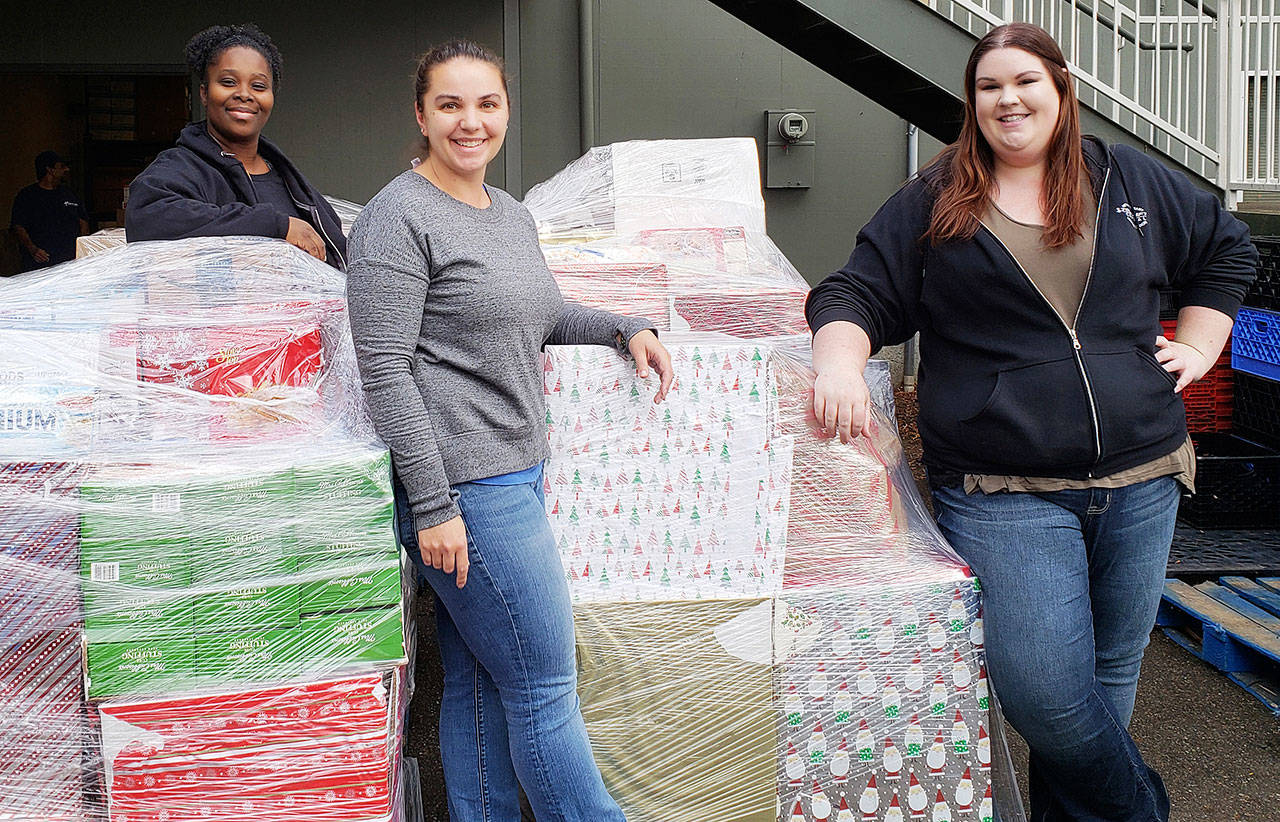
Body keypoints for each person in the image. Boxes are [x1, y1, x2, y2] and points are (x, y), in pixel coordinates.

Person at [805, 23, 1256, 822]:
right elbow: (854, 293)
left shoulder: (1128, 180)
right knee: (1044, 693)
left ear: (1061, 89)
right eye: (988, 87)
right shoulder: (936, 197)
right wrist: (838, 362)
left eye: (1024, 83)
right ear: (972, 102)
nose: (1007, 100)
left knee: (1110, 674)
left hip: (1144, 472)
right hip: (1004, 486)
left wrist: (1198, 340)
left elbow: (1225, 247)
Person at [345, 39, 673, 821]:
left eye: (486, 103)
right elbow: (385, 369)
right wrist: (431, 505)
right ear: (421, 115)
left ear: (505, 113)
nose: (470, 121)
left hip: (515, 472)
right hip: (468, 487)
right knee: (546, 687)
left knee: (484, 682)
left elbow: (541, 315)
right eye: (450, 104)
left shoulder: (510, 214)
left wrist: (623, 327)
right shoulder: (400, 217)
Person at [125, 24, 345, 268]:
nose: (244, 94)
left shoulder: (290, 180)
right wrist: (275, 226)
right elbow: (148, 217)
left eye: (258, 86)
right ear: (204, 93)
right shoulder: (181, 167)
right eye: (228, 82)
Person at [10, 151, 88, 272]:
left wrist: (82, 250)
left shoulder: (69, 194)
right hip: (40, 263)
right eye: (62, 166)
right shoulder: (27, 196)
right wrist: (33, 249)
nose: (66, 170)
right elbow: (18, 226)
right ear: (49, 170)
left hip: (70, 263)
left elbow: (82, 221)